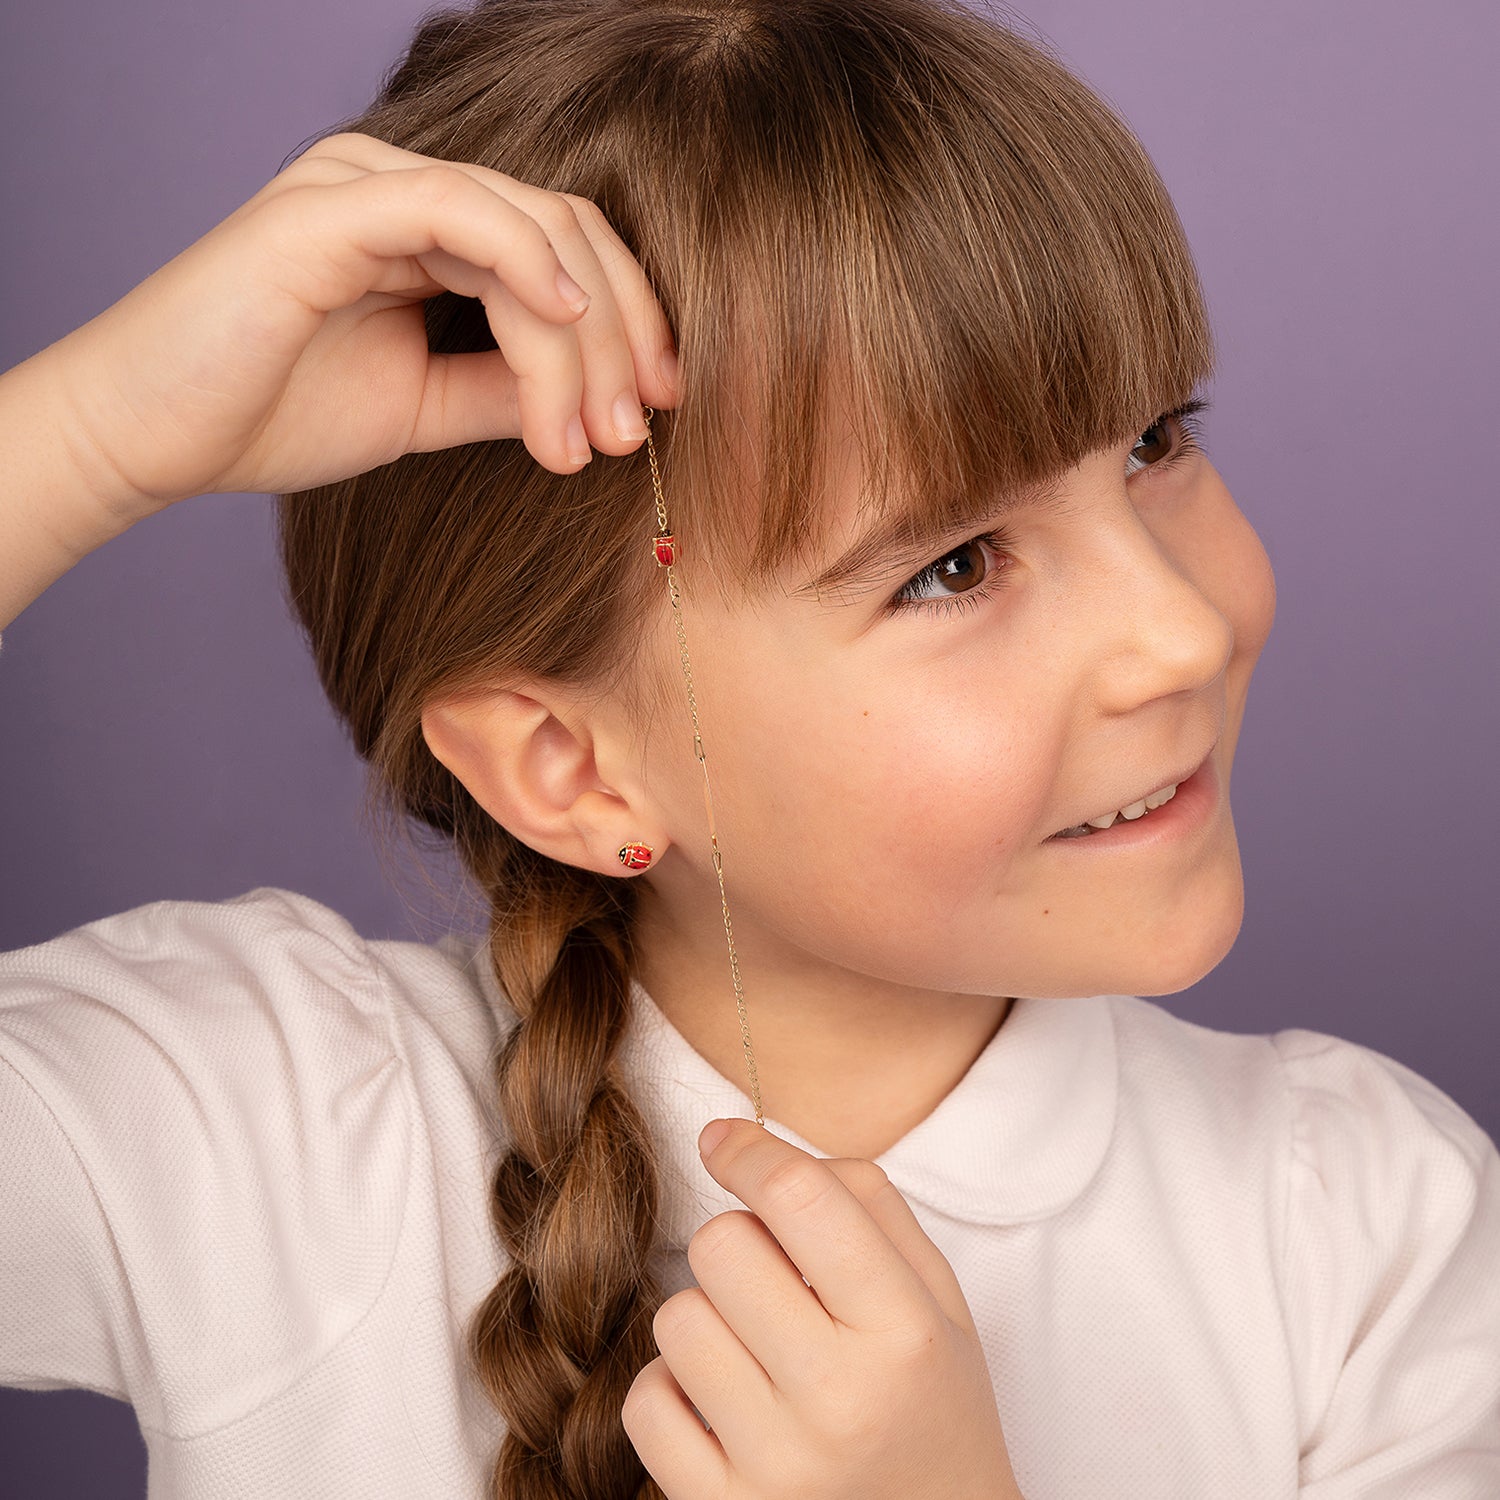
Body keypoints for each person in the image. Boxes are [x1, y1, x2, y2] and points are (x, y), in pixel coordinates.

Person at [2, 0, 1497, 1496]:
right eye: (957, 566)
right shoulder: (257, 1134)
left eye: (1155, 443)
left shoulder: (1366, 1233)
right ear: (570, 771)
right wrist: (83, 440)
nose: (1179, 634)